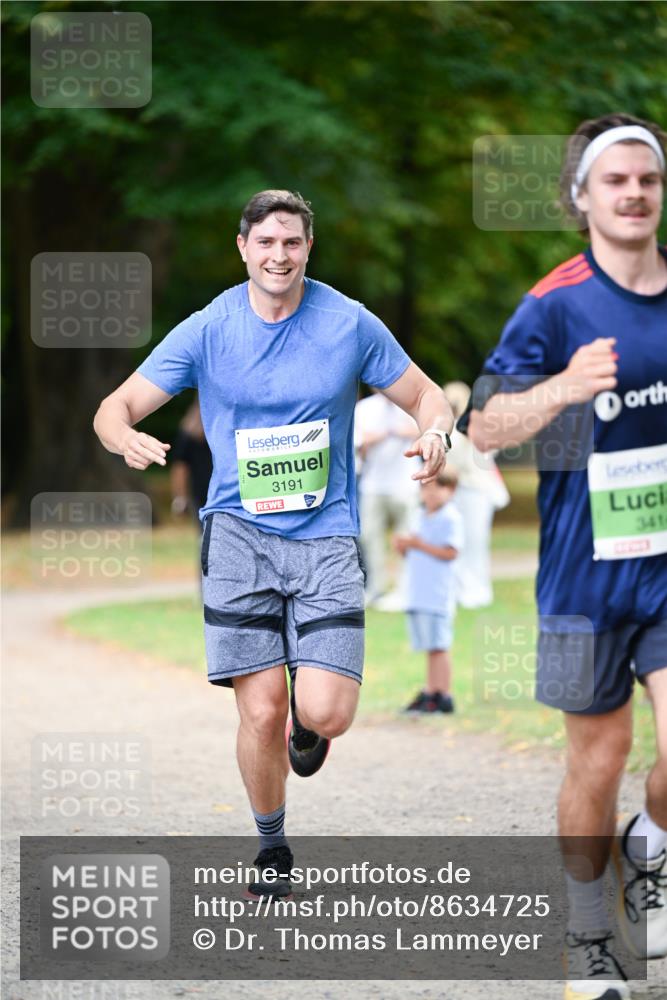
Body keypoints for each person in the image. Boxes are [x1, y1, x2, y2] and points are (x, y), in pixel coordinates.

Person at [93, 189, 453, 901]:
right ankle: (271, 843)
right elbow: (115, 406)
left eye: (291, 242)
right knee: (260, 710)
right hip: (237, 536)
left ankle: (308, 730)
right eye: (265, 242)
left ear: (308, 247)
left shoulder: (348, 323)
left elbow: (426, 395)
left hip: (326, 537)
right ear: (243, 248)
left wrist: (436, 431)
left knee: (326, 711)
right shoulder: (209, 328)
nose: (278, 256)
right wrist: (123, 436)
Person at [466, 115, 667, 1000]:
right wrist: (563, 386)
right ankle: (587, 936)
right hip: (583, 572)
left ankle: (646, 851)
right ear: (581, 197)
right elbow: (482, 429)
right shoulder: (552, 304)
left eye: (646, 179)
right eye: (614, 180)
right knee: (598, 758)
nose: (633, 194)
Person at [394, 468, 463, 714]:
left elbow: (451, 552)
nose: (430, 493)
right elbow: (412, 551)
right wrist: (403, 546)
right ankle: (431, 690)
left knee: (439, 646)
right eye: (425, 487)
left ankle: (443, 694)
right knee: (429, 647)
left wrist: (418, 544)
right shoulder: (418, 515)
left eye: (437, 487)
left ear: (451, 490)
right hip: (418, 593)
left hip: (437, 594)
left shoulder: (450, 518)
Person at [443, 381, 510, 609]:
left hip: (477, 491)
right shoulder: (448, 428)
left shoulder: (478, 425)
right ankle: (460, 589)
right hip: (456, 491)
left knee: (476, 542)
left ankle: (478, 589)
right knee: (457, 542)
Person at [354, 390, 420, 608]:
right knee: (369, 536)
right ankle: (376, 588)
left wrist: (398, 431)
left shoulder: (410, 401)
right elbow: (358, 441)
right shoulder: (365, 408)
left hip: (405, 483)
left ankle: (404, 589)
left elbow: (423, 432)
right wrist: (380, 435)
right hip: (373, 483)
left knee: (406, 537)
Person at [170, 395, 213, 520]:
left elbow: (180, 468)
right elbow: (180, 467)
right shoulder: (221, 431)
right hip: (219, 490)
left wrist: (180, 498)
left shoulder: (188, 432)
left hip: (199, 491)